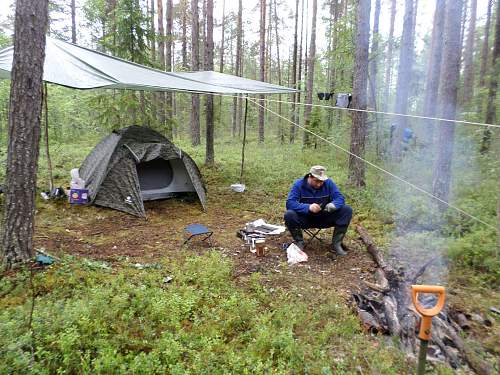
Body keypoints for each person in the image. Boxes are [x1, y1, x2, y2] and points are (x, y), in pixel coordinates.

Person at [284, 165, 353, 256]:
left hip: (324, 217)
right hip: (305, 218)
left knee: (347, 210)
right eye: (316, 181)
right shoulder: (298, 185)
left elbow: (340, 198)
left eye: (321, 181)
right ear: (310, 176)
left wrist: (333, 205)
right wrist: (308, 207)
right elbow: (290, 203)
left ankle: (336, 244)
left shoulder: (328, 183)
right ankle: (299, 242)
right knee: (289, 214)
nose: (319, 184)